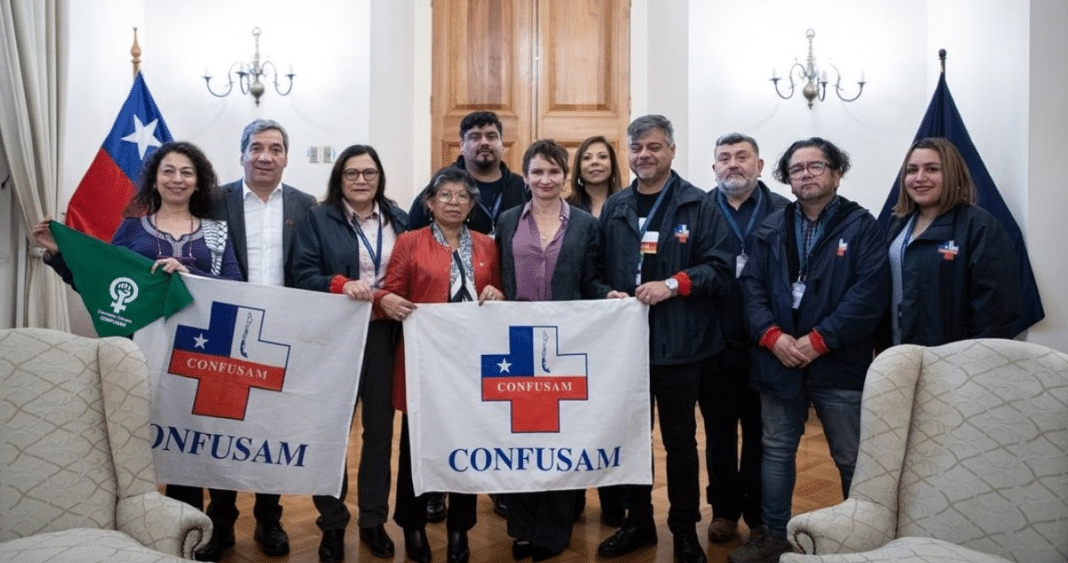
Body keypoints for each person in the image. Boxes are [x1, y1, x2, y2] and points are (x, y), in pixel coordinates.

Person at [33, 140, 242, 509]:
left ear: (199, 181)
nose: (177, 179)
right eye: (168, 171)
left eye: (186, 172)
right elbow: (102, 286)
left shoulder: (217, 232)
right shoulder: (131, 230)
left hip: (203, 353)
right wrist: (57, 252)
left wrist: (188, 274)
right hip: (143, 352)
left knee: (210, 435)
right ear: (154, 179)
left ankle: (223, 521)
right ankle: (179, 519)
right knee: (153, 437)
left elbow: (236, 288)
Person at [732, 138, 889, 563]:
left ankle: (858, 535)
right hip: (778, 360)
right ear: (786, 176)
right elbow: (752, 291)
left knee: (850, 456)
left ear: (837, 173)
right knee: (777, 450)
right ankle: (773, 535)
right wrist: (773, 338)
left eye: (816, 166)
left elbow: (869, 295)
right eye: (796, 168)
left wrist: (818, 341)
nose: (805, 174)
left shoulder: (863, 227)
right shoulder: (770, 227)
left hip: (840, 363)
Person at [597, 115, 733, 563]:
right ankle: (639, 523)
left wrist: (673, 284)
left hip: (681, 345)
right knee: (632, 438)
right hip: (625, 349)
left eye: (654, 147)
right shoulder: (615, 206)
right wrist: (607, 292)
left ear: (672, 150)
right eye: (637, 148)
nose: (645, 155)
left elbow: (720, 268)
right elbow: (593, 275)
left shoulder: (699, 204)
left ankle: (684, 528)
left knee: (679, 441)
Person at [195, 119, 316, 562]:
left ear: (287, 156)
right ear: (241, 153)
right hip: (226, 330)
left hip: (284, 334)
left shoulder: (306, 206)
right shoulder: (211, 201)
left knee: (273, 428)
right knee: (225, 427)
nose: (266, 156)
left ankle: (270, 518)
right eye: (257, 147)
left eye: (276, 148)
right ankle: (221, 521)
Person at [373, 166, 504, 563]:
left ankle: (460, 531)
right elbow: (391, 293)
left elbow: (495, 292)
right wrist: (385, 300)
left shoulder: (486, 245)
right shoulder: (410, 242)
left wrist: (496, 292)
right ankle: (412, 527)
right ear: (429, 202)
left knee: (466, 446)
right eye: (444, 195)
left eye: (462, 196)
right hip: (424, 365)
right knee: (417, 446)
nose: (453, 202)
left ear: (471, 205)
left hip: (470, 366)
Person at [496, 139, 617, 561]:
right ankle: (522, 526)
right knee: (522, 435)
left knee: (565, 436)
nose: (545, 180)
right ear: (525, 176)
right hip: (519, 342)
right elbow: (497, 275)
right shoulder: (508, 220)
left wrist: (609, 297)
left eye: (553, 172)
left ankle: (555, 528)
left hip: (569, 343)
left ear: (566, 177)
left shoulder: (585, 224)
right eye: (537, 172)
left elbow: (592, 279)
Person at [291, 144, 408, 562]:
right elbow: (301, 273)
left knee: (378, 432)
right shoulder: (317, 218)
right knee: (330, 431)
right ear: (339, 178)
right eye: (352, 173)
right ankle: (333, 522)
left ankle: (374, 520)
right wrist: (340, 284)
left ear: (380, 178)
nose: (362, 180)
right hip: (333, 336)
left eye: (370, 173)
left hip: (382, 337)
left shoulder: (399, 218)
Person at [698, 133, 789, 546]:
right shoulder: (698, 209)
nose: (733, 164)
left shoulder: (783, 212)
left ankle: (757, 513)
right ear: (714, 167)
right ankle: (723, 510)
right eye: (724, 158)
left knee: (760, 434)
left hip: (765, 344)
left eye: (742, 157)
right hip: (713, 342)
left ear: (760, 164)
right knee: (718, 434)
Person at [886, 137, 1020, 346]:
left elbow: (995, 311)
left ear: (952, 174)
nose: (919, 178)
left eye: (932, 169)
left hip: (953, 361)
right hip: (897, 354)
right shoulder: (897, 224)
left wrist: (973, 362)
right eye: (911, 170)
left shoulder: (979, 227)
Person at [407, 110, 528, 236]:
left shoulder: (522, 187)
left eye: (491, 136)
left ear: (501, 144)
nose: (484, 142)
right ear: (461, 145)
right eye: (475, 137)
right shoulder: (442, 186)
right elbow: (414, 234)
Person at [567, 135, 624, 219]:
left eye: (602, 157)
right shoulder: (566, 208)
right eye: (587, 158)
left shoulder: (627, 204)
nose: (595, 162)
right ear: (578, 168)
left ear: (612, 164)